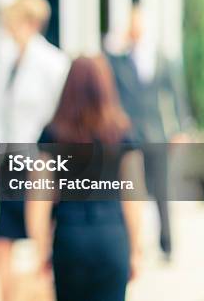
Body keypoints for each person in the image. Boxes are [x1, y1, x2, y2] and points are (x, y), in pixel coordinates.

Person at [26, 56, 144, 301]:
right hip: (112, 239)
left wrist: (41, 250)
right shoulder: (122, 133)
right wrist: (135, 250)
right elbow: (133, 198)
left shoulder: (53, 135)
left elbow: (38, 199)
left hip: (70, 240)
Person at [0, 0, 70, 301]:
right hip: (10, 161)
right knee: (3, 238)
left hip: (39, 164)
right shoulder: (5, 60)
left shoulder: (53, 62)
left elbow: (62, 117)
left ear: (32, 22)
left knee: (41, 237)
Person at [106, 5, 192, 259]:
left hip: (156, 135)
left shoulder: (162, 59)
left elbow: (177, 96)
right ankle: (132, 244)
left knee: (162, 192)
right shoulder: (117, 60)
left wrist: (180, 128)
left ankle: (167, 245)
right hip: (129, 136)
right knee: (130, 192)